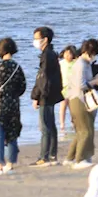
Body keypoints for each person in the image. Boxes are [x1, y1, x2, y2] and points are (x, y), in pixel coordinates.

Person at [64, 39, 98, 169]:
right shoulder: (81, 64)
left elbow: (86, 80)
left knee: (81, 131)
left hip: (79, 99)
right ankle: (80, 159)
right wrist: (96, 83)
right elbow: (81, 85)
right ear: (91, 52)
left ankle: (71, 158)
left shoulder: (85, 64)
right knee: (86, 131)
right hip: (79, 100)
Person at [0, 38, 26, 176]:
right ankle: (11, 163)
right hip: (14, 103)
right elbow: (22, 87)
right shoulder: (17, 67)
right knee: (12, 133)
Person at [30, 27, 63, 168]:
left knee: (45, 127)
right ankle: (52, 155)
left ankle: (44, 157)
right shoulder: (51, 54)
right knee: (51, 125)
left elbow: (42, 78)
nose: (35, 41)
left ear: (45, 39)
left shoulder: (47, 55)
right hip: (52, 93)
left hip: (46, 94)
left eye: (37, 38)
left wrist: (36, 96)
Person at [58, 45, 78, 139]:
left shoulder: (76, 63)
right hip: (63, 87)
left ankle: (74, 122)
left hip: (73, 88)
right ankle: (62, 124)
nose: (67, 55)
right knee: (63, 106)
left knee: (72, 107)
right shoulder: (61, 63)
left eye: (69, 53)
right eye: (66, 53)